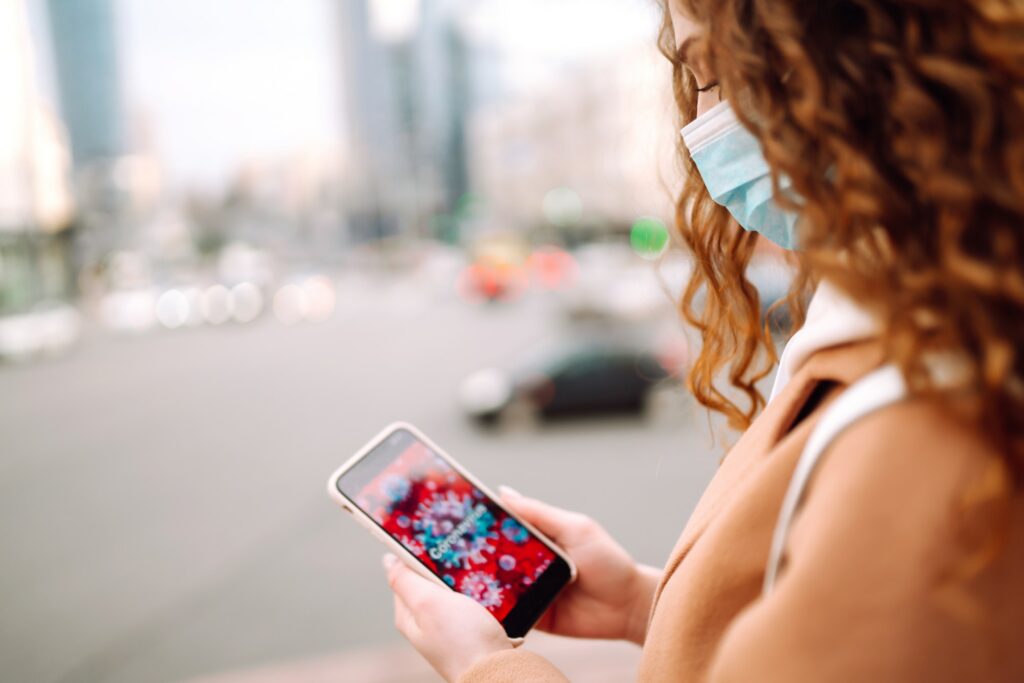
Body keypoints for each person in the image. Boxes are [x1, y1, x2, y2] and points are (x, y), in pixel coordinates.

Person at [381, 0, 1024, 680]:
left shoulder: (927, 414)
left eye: (712, 70)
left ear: (861, 61)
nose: (699, 121)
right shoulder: (918, 322)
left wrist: (486, 666)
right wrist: (644, 605)